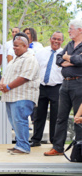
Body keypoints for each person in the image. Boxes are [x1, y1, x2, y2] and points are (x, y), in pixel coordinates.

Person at [44, 19, 82, 156]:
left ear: (80, 30)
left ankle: (78, 151)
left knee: (79, 118)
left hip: (79, 84)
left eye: (71, 29)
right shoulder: (69, 44)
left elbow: (80, 61)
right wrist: (70, 60)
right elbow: (59, 59)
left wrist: (68, 58)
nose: (69, 31)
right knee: (61, 117)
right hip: (64, 84)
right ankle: (57, 147)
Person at [0, 32, 40, 155]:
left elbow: (25, 77)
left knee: (20, 120)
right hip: (11, 96)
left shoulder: (30, 58)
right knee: (14, 122)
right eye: (14, 45)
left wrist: (8, 86)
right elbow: (5, 75)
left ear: (25, 46)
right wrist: (1, 83)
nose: (14, 48)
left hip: (23, 96)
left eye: (17, 46)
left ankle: (23, 146)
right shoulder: (13, 60)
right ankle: (19, 144)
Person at [30, 31, 64, 147]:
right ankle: (36, 139)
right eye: (54, 38)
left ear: (62, 41)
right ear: (50, 39)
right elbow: (35, 68)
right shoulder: (41, 52)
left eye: (59, 39)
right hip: (42, 86)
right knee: (38, 114)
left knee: (56, 115)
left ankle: (54, 141)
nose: (56, 41)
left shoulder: (64, 54)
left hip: (57, 87)